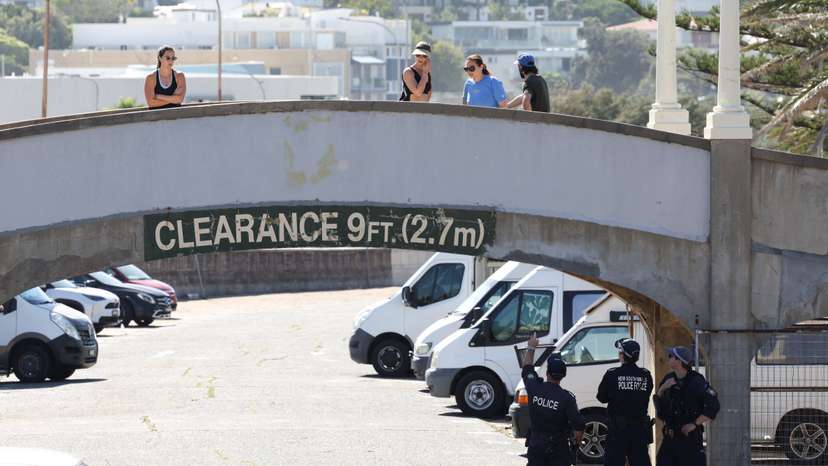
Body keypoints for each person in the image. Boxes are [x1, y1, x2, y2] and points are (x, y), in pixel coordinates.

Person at [522, 333, 585, 466]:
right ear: (563, 376)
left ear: (547, 373)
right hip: (558, 450)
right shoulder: (567, 398)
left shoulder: (534, 387)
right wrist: (575, 444)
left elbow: (527, 368)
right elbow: (579, 426)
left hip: (536, 447)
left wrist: (531, 347)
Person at [653, 346, 720, 466]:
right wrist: (662, 389)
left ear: (679, 361)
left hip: (690, 439)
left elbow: (713, 406)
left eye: (671, 356)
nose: (668, 358)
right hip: (670, 438)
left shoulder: (697, 381)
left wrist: (694, 424)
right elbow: (660, 409)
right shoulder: (668, 379)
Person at [597, 338, 654, 466]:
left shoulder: (612, 374)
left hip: (617, 431)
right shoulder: (646, 375)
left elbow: (601, 398)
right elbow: (646, 394)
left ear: (623, 355)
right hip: (639, 430)